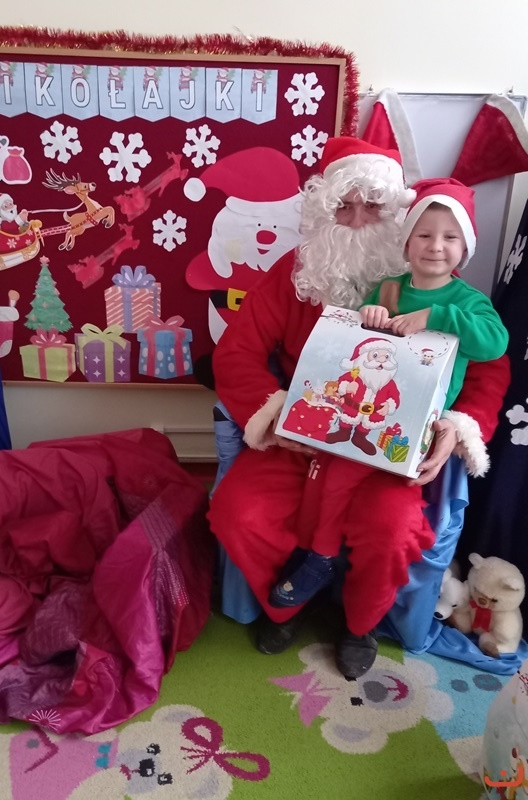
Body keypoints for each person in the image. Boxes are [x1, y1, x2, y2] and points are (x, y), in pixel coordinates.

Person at [207, 137, 510, 680]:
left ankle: (359, 625)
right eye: (342, 206)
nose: (355, 220)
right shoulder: (297, 273)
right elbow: (237, 353)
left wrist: (456, 426)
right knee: (238, 512)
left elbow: (488, 369)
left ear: (399, 217)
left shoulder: (436, 290)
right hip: (302, 440)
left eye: (372, 205)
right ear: (322, 214)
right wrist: (275, 411)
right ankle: (287, 606)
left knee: (392, 531)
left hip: (385, 451)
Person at [268, 177, 509, 611]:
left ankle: (348, 591)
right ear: (407, 241)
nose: (436, 246)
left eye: (450, 237)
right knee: (331, 476)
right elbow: (363, 338)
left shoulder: (468, 301)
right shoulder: (390, 287)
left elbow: (494, 343)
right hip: (369, 413)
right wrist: (371, 312)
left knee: (380, 510)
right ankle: (320, 559)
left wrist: (437, 315)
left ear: (466, 247)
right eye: (425, 235)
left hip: (418, 427)